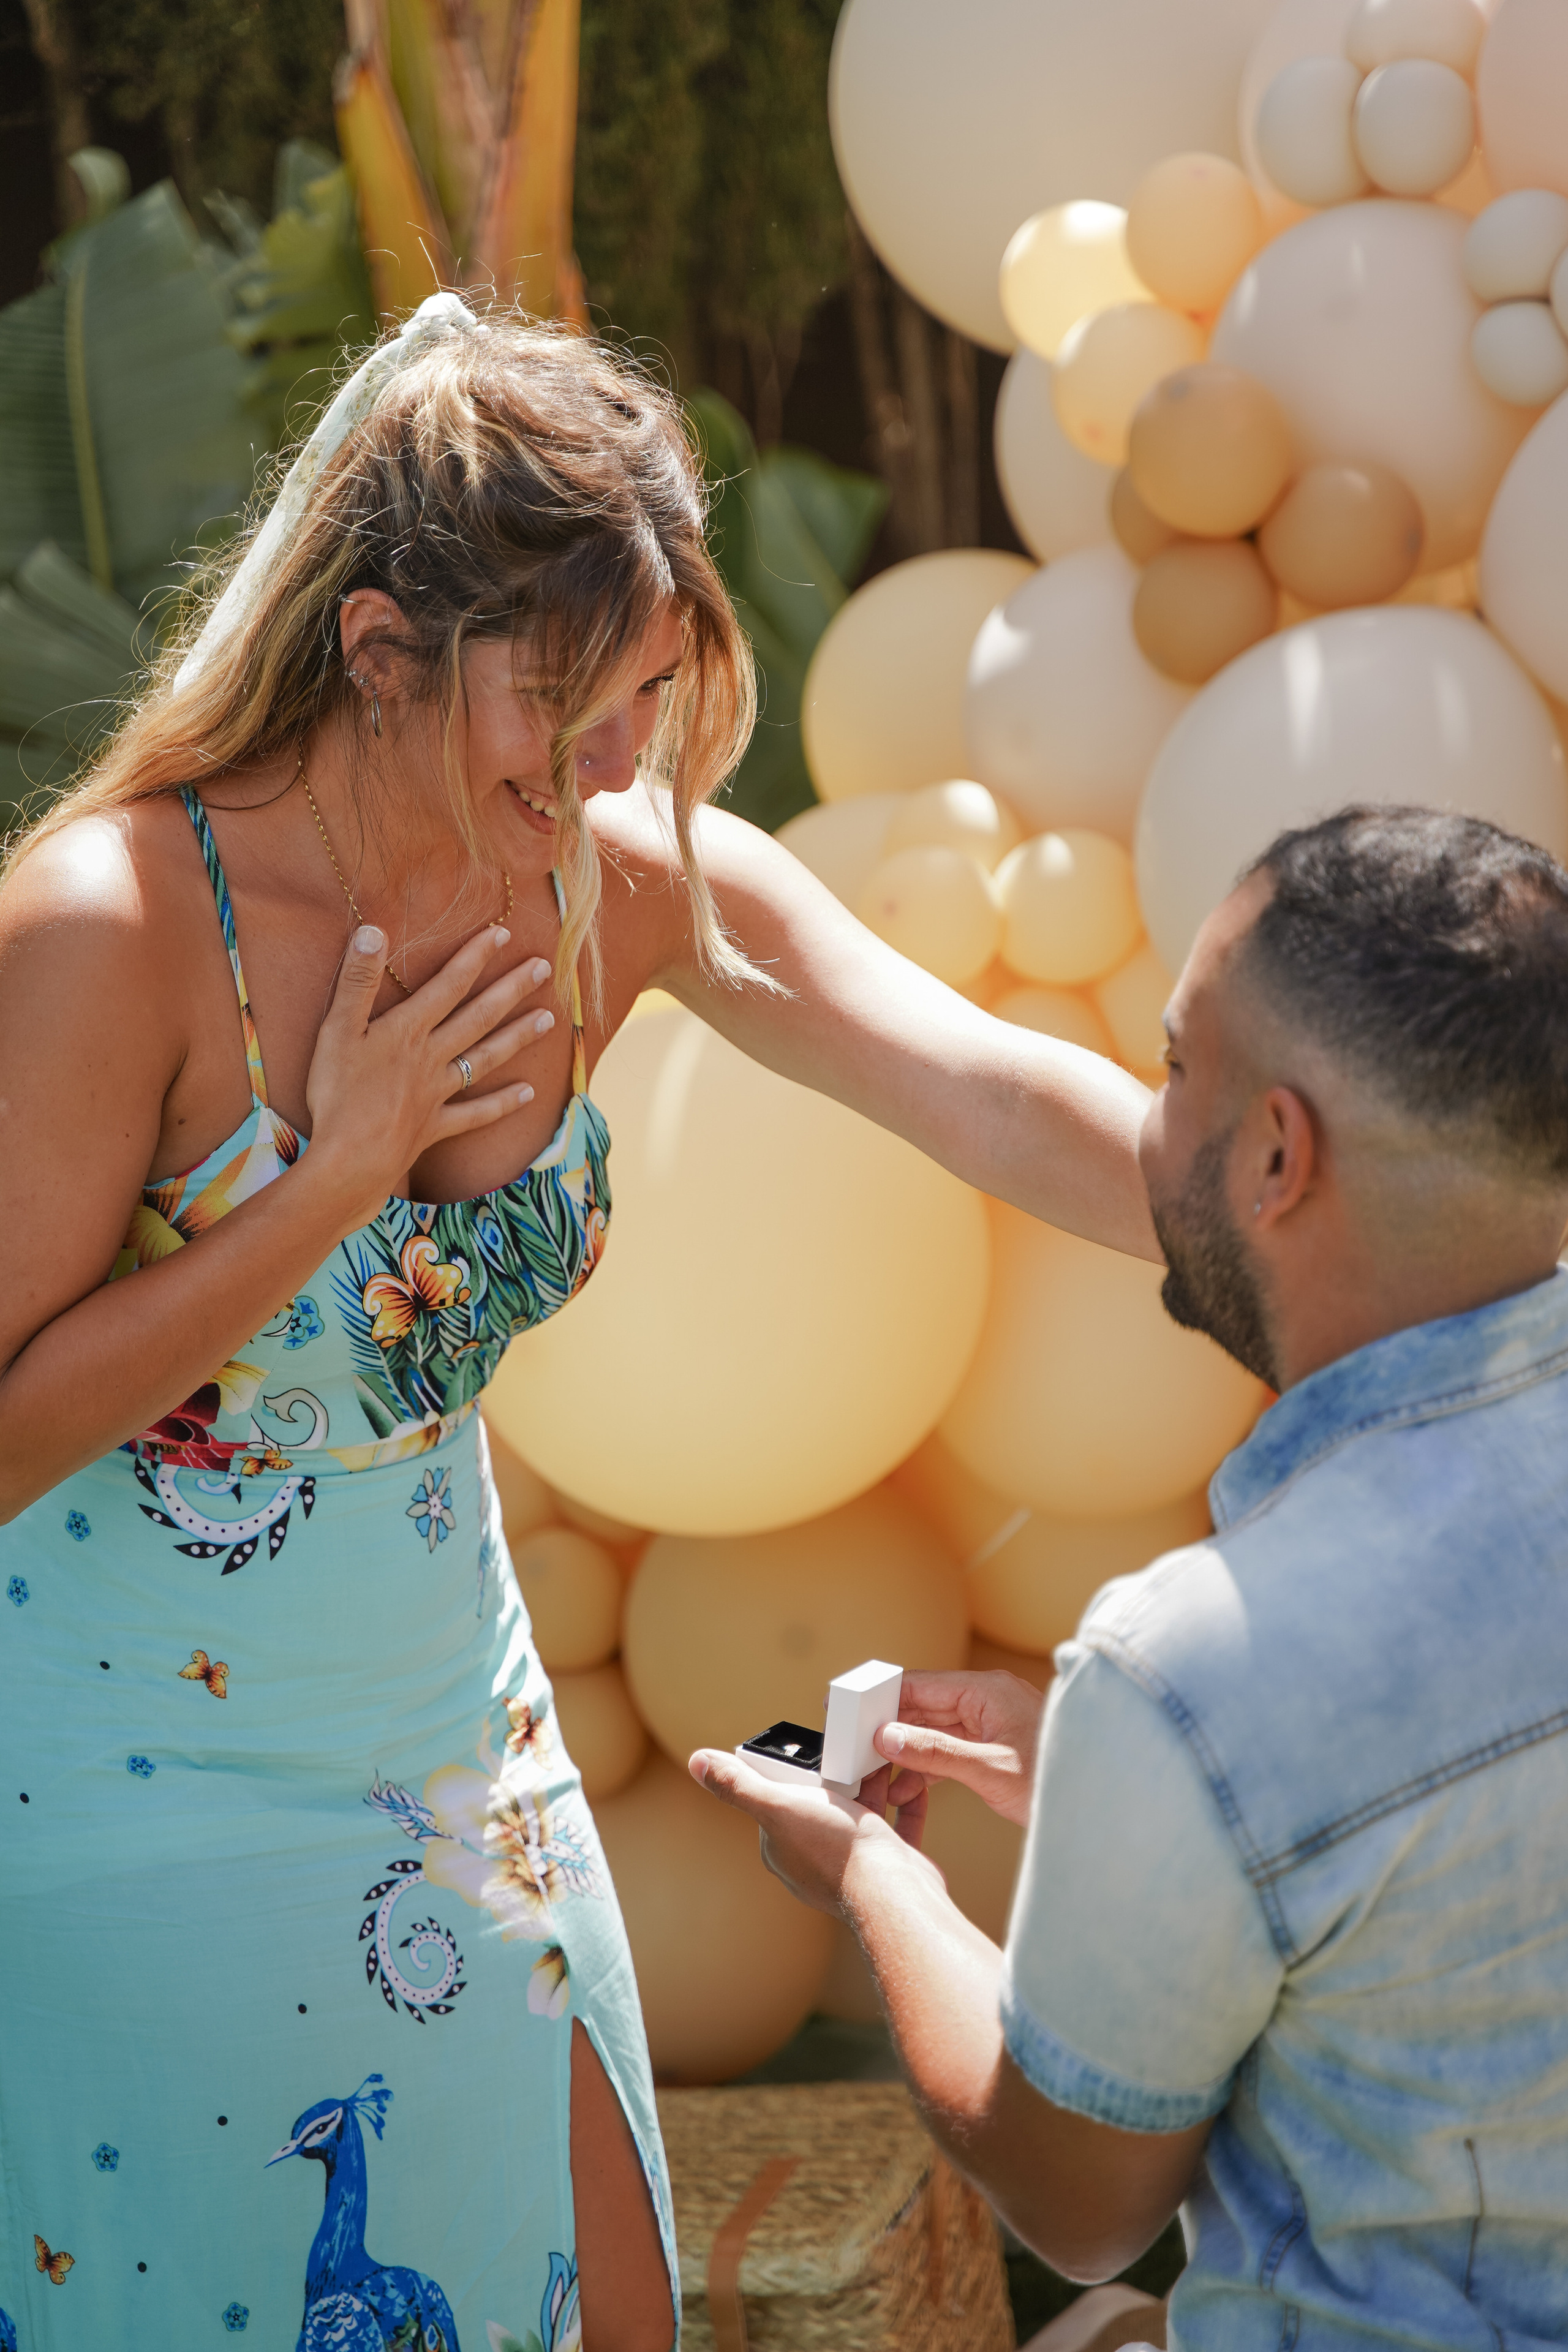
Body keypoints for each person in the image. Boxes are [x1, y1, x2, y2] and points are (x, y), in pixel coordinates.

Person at [0, 295, 1158, 2351]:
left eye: (644, 694)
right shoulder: (113, 926)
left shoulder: (611, 876)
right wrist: (336, 1183)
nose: (622, 766)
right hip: (126, 1804)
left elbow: (981, 1086)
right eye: (563, 708)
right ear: (373, 652)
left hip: (463, 1755)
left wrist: (1336, 1232)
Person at [694, 806, 1568, 2352]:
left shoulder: (1194, 1672)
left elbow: (1074, 2194)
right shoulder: (1191, 1709)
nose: (1142, 1125)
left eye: (1170, 1074)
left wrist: (874, 1879)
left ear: (1279, 1155)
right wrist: (1113, 1797)